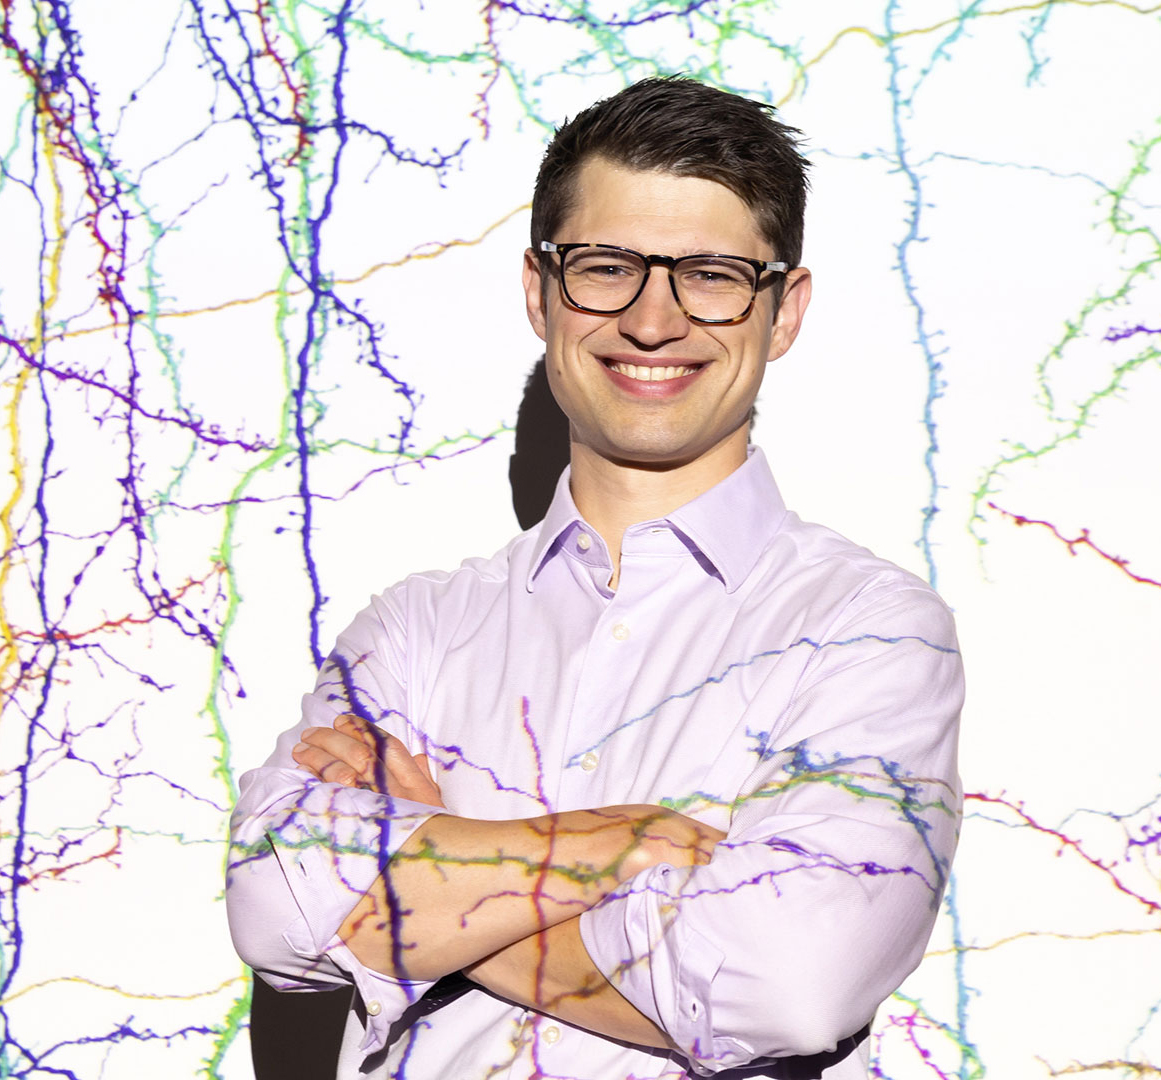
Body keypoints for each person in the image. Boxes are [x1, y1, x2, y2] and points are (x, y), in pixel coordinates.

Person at [226, 76, 963, 1079]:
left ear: (783, 311)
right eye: (608, 267)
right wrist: (627, 842)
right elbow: (277, 912)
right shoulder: (416, 629)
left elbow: (792, 985)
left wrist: (439, 859)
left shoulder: (872, 632)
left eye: (709, 274)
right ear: (540, 290)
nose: (653, 321)